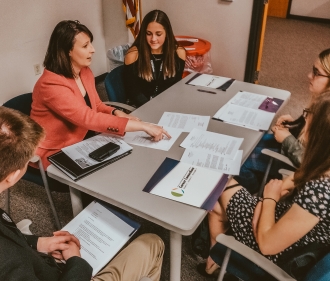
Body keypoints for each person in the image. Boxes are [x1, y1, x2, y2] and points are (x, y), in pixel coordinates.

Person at [0, 106, 164, 281]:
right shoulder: (9, 262)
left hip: (42, 264)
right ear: (13, 175)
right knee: (153, 244)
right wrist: (76, 261)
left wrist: (38, 243)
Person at [199, 91, 330, 279]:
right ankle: (214, 263)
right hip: (287, 228)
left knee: (220, 180)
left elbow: (267, 245)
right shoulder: (323, 166)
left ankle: (215, 261)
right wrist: (267, 199)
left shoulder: (320, 192)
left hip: (277, 248)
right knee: (218, 206)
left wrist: (268, 199)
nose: (304, 119)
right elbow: (292, 180)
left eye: (309, 114)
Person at [30, 20, 171, 169]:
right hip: (56, 150)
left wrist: (116, 112)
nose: (93, 49)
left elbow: (96, 105)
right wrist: (142, 126)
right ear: (67, 51)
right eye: (85, 46)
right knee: (117, 169)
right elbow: (88, 118)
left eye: (90, 43)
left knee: (131, 158)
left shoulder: (84, 71)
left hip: (84, 138)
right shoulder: (51, 84)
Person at [235, 48, 330, 193]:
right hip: (291, 147)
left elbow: (312, 164)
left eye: (317, 73)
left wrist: (287, 139)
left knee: (238, 162)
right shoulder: (321, 104)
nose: (309, 75)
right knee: (243, 141)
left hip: (295, 161)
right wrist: (294, 125)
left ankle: (250, 193)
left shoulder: (327, 117)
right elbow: (308, 136)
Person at [124, 10, 186, 107]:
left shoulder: (179, 52)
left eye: (158, 34)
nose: (153, 39)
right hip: (140, 107)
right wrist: (153, 109)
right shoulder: (133, 55)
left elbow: (176, 87)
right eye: (149, 33)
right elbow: (134, 93)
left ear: (167, 33)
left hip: (168, 106)